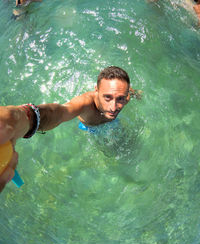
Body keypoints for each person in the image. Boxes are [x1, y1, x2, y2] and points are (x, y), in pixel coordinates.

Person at [0, 66, 141, 193]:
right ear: (96, 90)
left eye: (120, 99)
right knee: (111, 154)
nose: (113, 107)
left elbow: (127, 93)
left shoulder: (125, 96)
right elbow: (60, 112)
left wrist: (136, 94)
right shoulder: (84, 104)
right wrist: (24, 119)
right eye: (107, 97)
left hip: (112, 123)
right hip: (90, 128)